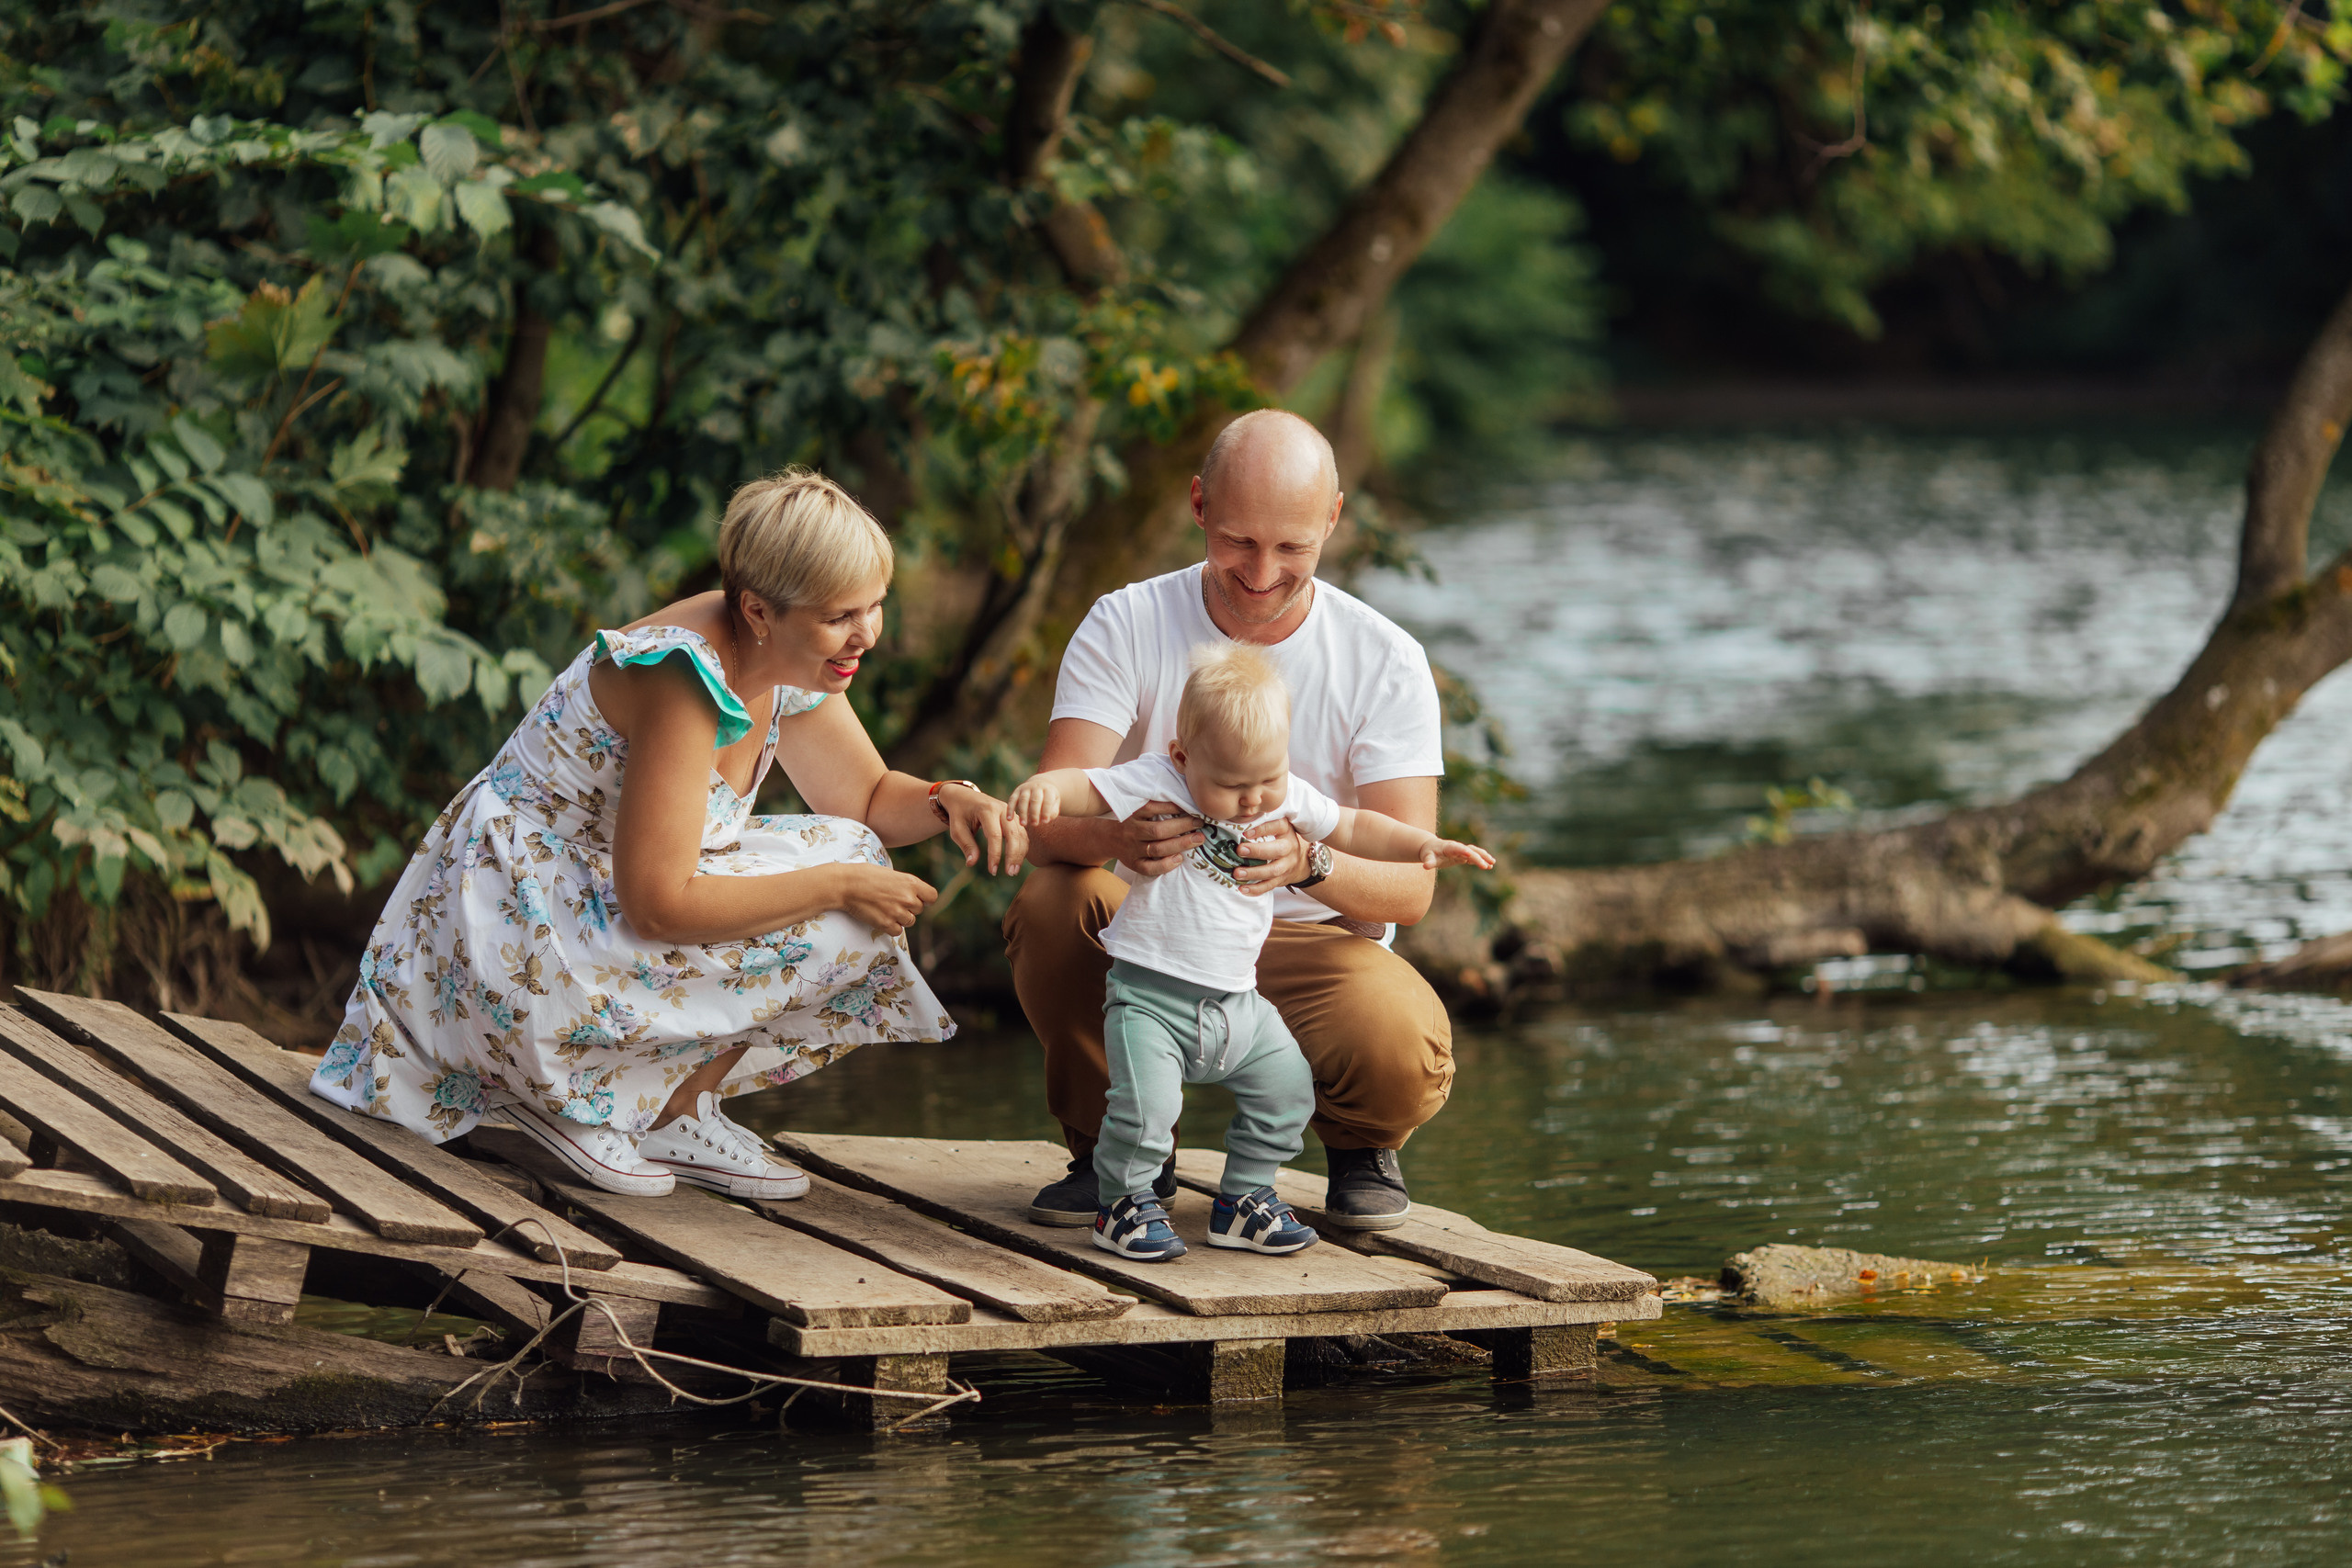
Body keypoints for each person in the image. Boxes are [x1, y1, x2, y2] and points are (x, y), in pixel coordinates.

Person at [313, 470, 1025, 1198]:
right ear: (758, 610)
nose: (868, 633)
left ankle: (670, 1110)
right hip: (520, 918)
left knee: (857, 853)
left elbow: (869, 799)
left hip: (601, 901)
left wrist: (948, 799)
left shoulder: (786, 652)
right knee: (846, 885)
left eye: (875, 605)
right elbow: (656, 904)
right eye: (843, 614)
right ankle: (565, 1095)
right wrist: (837, 886)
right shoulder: (683, 674)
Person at [1004, 408, 1453, 1231]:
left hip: (1307, 936)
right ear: (1198, 504)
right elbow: (1043, 818)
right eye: (1240, 540)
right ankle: (1118, 1150)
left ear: (1334, 519)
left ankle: (1358, 1146)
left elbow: (1409, 890)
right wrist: (1115, 837)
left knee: (1399, 1037)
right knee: (1051, 904)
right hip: (1153, 925)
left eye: (1293, 548)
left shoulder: (1384, 657)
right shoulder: (1126, 622)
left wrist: (1309, 863)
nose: (1260, 571)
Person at [1009, 643, 1493, 1261]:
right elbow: (1088, 786)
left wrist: (1420, 841)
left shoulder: (1282, 794)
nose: (1253, 800)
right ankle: (1124, 1203)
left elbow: (1353, 826)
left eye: (1267, 779)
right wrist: (1044, 791)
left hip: (1238, 1001)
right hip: (1152, 999)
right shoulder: (1159, 778)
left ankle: (1244, 1199)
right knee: (1145, 1109)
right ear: (1184, 757)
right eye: (1232, 784)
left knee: (1287, 1090)